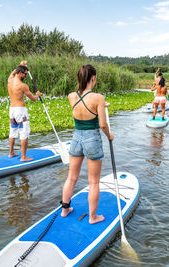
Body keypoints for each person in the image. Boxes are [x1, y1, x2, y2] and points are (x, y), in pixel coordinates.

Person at [60, 64, 114, 224]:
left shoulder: (71, 96)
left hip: (76, 138)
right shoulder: (98, 98)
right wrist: (110, 136)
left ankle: (65, 210)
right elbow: (103, 125)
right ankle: (92, 217)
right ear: (93, 78)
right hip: (92, 140)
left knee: (71, 177)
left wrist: (101, 107)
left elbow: (83, 107)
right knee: (94, 182)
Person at [7, 60, 41, 161]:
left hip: (12, 110)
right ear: (20, 73)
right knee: (24, 132)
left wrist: (21, 65)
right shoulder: (23, 86)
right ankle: (23, 157)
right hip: (20, 111)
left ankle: (11, 152)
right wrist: (38, 95)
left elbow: (14, 72)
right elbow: (33, 99)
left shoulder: (10, 80)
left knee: (13, 131)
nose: (26, 76)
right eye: (25, 74)